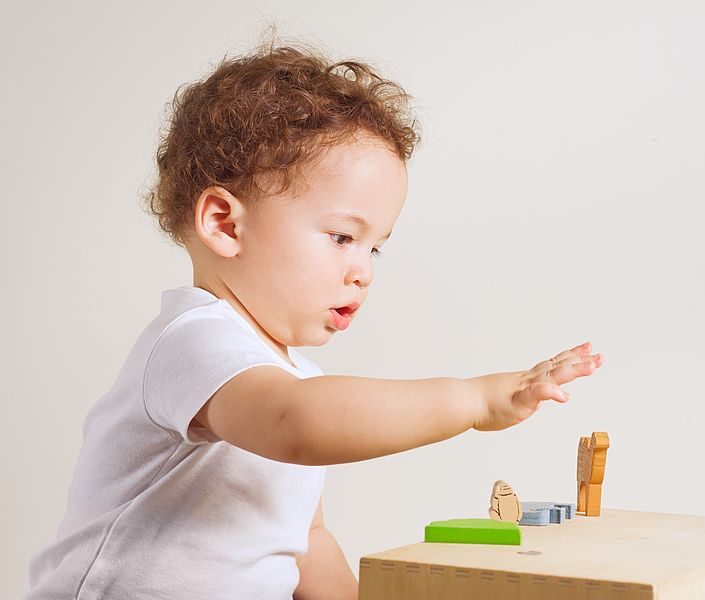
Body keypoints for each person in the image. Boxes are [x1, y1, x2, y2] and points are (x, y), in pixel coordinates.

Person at [25, 39, 603, 600]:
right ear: (225, 225)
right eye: (343, 237)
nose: (364, 271)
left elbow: (305, 538)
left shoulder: (293, 378)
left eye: (374, 248)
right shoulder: (195, 341)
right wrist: (475, 401)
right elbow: (295, 424)